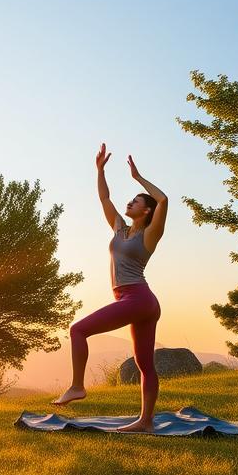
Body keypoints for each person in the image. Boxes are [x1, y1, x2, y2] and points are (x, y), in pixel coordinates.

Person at [51, 143, 168, 433]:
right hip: (135, 301)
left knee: (78, 329)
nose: (130, 203)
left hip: (138, 297)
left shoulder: (150, 235)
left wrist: (138, 178)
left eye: (137, 201)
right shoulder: (119, 228)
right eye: (131, 199)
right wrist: (100, 170)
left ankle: (78, 386)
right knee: (145, 364)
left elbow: (164, 199)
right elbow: (104, 197)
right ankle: (145, 421)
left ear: (147, 210)